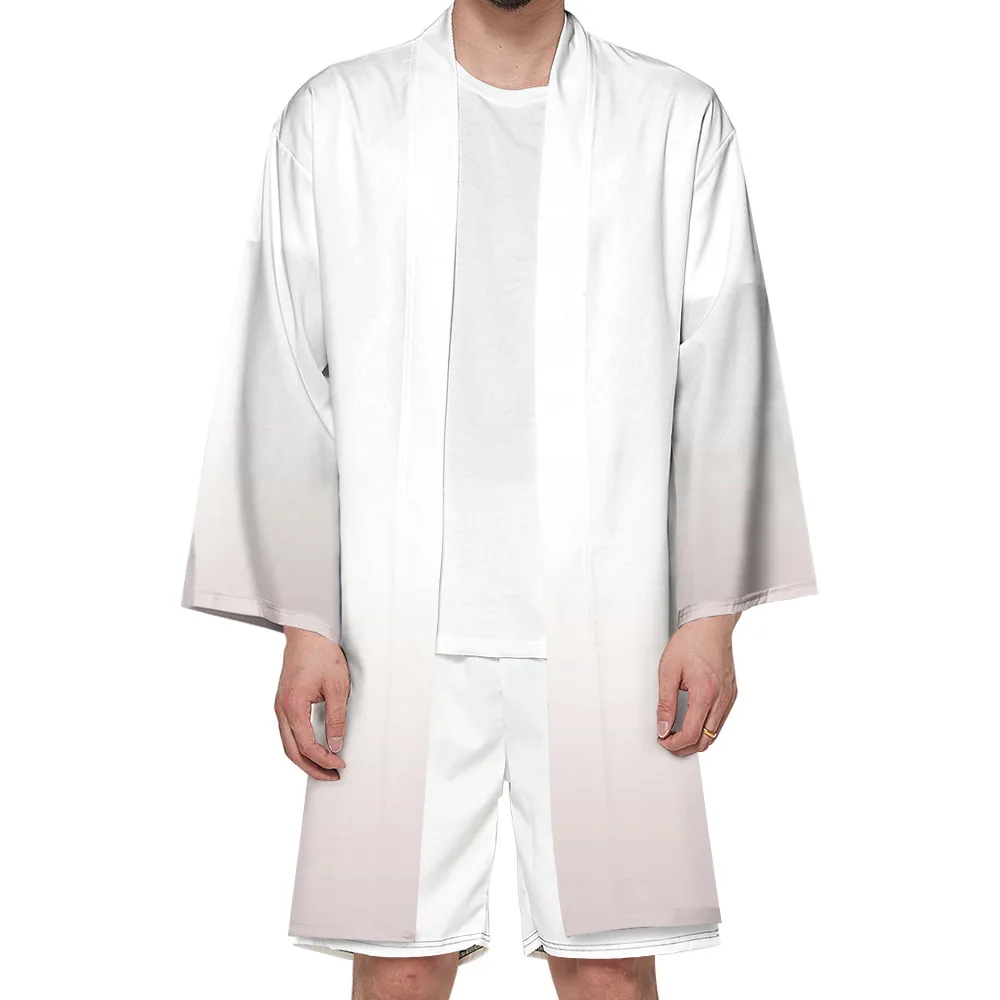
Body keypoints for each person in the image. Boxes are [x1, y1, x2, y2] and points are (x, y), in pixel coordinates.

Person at [181, 1, 817, 996]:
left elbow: (724, 365)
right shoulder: (339, 116)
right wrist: (306, 621)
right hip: (391, 622)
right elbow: (286, 370)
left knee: (609, 967)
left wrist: (711, 614)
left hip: (612, 615)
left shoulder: (673, 117)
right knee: (398, 966)